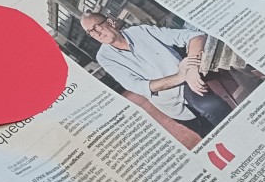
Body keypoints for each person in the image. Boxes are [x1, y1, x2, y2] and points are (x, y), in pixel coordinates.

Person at [80, 12, 231, 136]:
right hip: (170, 105)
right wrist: (180, 75)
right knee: (207, 134)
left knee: (213, 108)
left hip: (188, 85)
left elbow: (195, 36)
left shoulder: (141, 31)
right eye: (90, 32)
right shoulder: (104, 57)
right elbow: (137, 86)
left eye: (96, 27)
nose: (96, 34)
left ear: (110, 22)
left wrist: (191, 68)